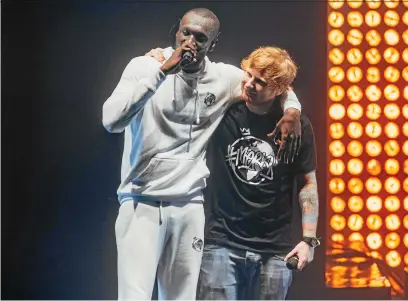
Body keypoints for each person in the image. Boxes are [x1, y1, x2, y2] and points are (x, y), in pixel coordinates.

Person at [102, 8, 303, 301]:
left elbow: (274, 82)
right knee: (134, 296)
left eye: (200, 37)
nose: (190, 42)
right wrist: (160, 74)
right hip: (141, 200)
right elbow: (111, 121)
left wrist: (292, 110)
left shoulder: (224, 77)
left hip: (189, 205)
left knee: (181, 297)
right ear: (176, 30)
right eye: (185, 32)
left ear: (213, 43)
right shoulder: (144, 67)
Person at [196, 46, 321, 300]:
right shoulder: (227, 110)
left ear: (279, 90)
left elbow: (307, 183)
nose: (249, 84)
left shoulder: (297, 127)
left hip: (275, 250)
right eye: (248, 75)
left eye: (260, 82)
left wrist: (309, 241)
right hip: (222, 242)